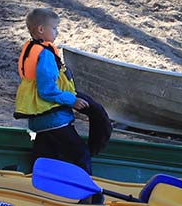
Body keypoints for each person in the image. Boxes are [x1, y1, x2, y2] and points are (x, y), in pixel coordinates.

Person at [13, 9, 110, 174]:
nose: (57, 32)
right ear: (41, 30)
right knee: (80, 154)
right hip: (53, 118)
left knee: (44, 155)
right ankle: (87, 193)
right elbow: (47, 91)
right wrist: (72, 101)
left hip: (40, 119)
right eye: (55, 28)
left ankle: (37, 182)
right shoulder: (45, 55)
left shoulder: (32, 47)